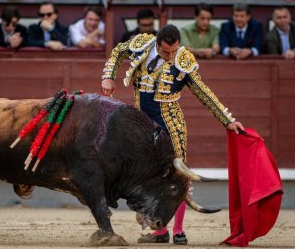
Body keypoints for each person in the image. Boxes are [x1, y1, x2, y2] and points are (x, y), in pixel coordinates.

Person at [101, 24, 244, 245]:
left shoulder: (182, 60)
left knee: (178, 174)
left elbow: (203, 92)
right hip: (142, 123)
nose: (171, 56)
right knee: (148, 174)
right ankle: (159, 231)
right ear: (156, 44)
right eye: (166, 52)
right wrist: (108, 76)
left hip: (170, 121)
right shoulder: (141, 45)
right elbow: (119, 50)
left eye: (174, 51)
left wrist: (228, 120)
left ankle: (178, 232)